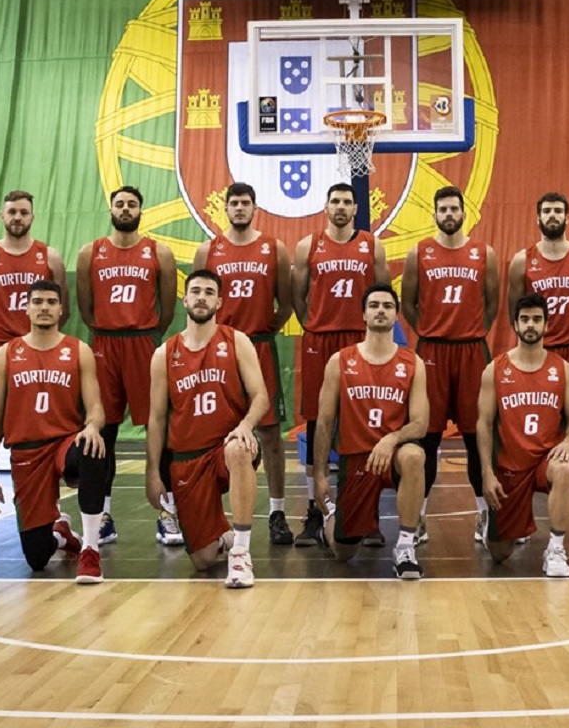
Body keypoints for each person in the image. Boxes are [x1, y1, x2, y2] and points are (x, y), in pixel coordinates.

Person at [0, 191, 69, 551]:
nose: (17, 217)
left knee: (47, 432)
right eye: (12, 212)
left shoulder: (49, 256)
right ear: (2, 216)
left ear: (32, 216)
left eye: (24, 212)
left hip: (40, 353)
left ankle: (54, 515)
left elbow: (62, 308)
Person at [145, 269, 268, 588]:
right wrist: (153, 473)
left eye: (209, 292)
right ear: (185, 299)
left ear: (219, 302)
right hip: (187, 458)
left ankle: (241, 552)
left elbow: (260, 397)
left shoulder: (236, 341)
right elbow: (156, 418)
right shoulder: (164, 354)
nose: (201, 297)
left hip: (225, 448)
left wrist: (246, 424)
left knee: (239, 448)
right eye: (196, 291)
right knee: (203, 559)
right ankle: (225, 538)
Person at [0, 280, 108, 584]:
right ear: (26, 308)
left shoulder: (79, 350)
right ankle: (62, 536)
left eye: (51, 302)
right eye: (37, 302)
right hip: (26, 452)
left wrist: (92, 426)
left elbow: (96, 407)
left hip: (65, 443)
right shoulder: (7, 355)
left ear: (61, 309)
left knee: (92, 448)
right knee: (37, 559)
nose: (45, 307)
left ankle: (91, 548)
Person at [76, 185, 176, 547]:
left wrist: (148, 335)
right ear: (111, 209)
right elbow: (85, 308)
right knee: (103, 433)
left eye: (132, 204)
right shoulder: (91, 253)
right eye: (119, 203)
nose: (125, 208)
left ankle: (167, 514)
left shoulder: (158, 253)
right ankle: (102, 516)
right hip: (104, 344)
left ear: (140, 211)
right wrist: (105, 331)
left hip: (143, 343)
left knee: (159, 429)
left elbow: (167, 308)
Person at [194, 183, 294, 545]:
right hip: (220, 353)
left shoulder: (274, 248)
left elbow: (286, 302)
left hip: (259, 345)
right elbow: (199, 301)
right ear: (225, 208)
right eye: (234, 203)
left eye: (245, 203)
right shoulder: (209, 250)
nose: (239, 208)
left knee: (269, 434)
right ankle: (215, 515)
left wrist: (266, 330)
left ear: (256, 208)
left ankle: (278, 512)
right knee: (214, 431)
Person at [291, 183, 390, 547]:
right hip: (320, 339)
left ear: (356, 207)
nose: (341, 207)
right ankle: (315, 512)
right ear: (326, 205)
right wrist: (315, 324)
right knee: (319, 424)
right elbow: (297, 297)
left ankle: (367, 515)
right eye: (335, 201)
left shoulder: (371, 244)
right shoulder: (308, 246)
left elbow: (381, 295)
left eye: (347, 202)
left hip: (358, 340)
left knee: (362, 428)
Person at [401, 186, 499, 545]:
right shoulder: (420, 252)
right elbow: (408, 302)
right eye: (442, 209)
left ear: (463, 212)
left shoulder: (482, 253)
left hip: (472, 350)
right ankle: (420, 517)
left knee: (478, 437)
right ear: (435, 213)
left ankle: (483, 513)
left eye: (454, 208)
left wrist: (472, 332)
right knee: (427, 438)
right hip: (433, 352)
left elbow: (492, 304)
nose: (449, 214)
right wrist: (430, 332)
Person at [506, 191, 569, 545]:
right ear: (537, 218)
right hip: (537, 353)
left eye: (558, 211)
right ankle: (519, 512)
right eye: (546, 210)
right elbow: (513, 310)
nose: (552, 216)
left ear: (567, 217)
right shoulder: (522, 261)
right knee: (528, 430)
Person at [477, 294, 569, 576]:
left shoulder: (562, 369)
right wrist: (486, 472)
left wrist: (568, 442)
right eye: (525, 319)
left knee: (566, 467)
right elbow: (483, 423)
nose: (531, 325)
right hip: (510, 466)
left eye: (537, 319)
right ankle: (492, 525)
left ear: (546, 325)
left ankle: (556, 548)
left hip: (547, 460)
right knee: (499, 553)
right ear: (515, 325)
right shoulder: (495, 369)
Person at [312, 284, 428, 579]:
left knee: (414, 455)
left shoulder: (412, 362)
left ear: (396, 315)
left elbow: (420, 423)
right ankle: (333, 515)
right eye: (374, 305)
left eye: (387, 306)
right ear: (363, 314)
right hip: (356, 459)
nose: (380, 310)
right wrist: (320, 475)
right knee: (343, 553)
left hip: (392, 456)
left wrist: (391, 439)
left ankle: (405, 547)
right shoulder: (340, 361)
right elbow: (325, 422)